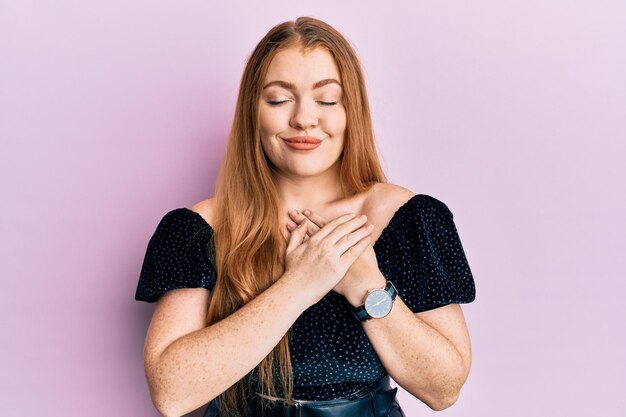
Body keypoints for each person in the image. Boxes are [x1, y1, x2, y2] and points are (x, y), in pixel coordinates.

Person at [134, 16, 476, 417]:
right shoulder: (196, 230)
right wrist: (301, 284)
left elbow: (444, 389)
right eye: (278, 99)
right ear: (252, 112)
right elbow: (171, 394)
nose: (303, 119)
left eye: (327, 99)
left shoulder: (409, 219)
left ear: (352, 111)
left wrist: (367, 287)